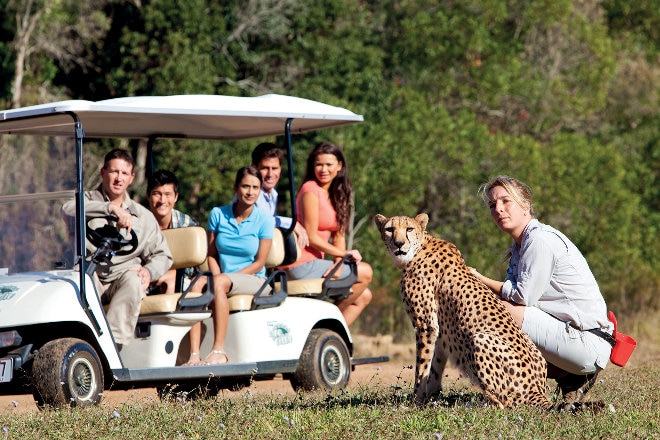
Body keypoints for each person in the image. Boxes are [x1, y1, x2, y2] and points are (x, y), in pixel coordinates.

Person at [469, 175, 613, 406]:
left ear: (526, 205)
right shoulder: (520, 246)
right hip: (575, 340)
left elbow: (521, 297)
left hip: (588, 343)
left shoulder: (539, 241)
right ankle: (565, 380)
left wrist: (477, 278)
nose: (498, 209)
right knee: (493, 310)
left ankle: (545, 383)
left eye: (506, 201)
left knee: (497, 311)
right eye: (492, 205)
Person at [61, 149, 172, 349]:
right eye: (114, 172)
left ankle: (112, 347)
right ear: (103, 172)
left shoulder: (143, 216)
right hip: (90, 275)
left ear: (131, 178)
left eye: (124, 174)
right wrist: (109, 208)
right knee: (79, 278)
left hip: (121, 279)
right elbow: (67, 209)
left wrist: (148, 270)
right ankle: (80, 344)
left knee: (133, 278)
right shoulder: (85, 201)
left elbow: (163, 255)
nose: (119, 178)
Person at [186, 166, 274, 365]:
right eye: (245, 186)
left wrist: (224, 279)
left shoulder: (264, 220)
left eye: (255, 187)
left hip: (254, 279)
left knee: (219, 283)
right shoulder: (218, 214)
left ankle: (219, 350)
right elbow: (212, 254)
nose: (250, 192)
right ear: (236, 187)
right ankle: (193, 356)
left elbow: (260, 262)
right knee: (195, 286)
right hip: (222, 277)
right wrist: (218, 276)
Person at [280, 141, 373, 327]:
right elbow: (312, 237)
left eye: (329, 164)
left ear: (339, 166)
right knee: (365, 271)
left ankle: (333, 336)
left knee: (363, 296)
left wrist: (339, 265)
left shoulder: (340, 195)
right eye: (318, 164)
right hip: (301, 263)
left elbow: (339, 238)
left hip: (318, 263)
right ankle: (325, 323)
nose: (323, 169)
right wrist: (344, 256)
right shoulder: (310, 190)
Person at [146, 169, 201, 294]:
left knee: (170, 281)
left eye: (167, 194)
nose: (162, 200)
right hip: (147, 280)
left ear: (175, 197)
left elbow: (192, 269)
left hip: (181, 281)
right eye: (157, 194)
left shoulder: (187, 225)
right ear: (148, 195)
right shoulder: (140, 224)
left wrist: (167, 275)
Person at [246, 142, 309, 249]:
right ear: (254, 167)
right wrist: (292, 223)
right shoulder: (249, 192)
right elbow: (263, 221)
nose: (270, 174)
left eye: (274, 168)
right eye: (265, 168)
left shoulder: (273, 194)